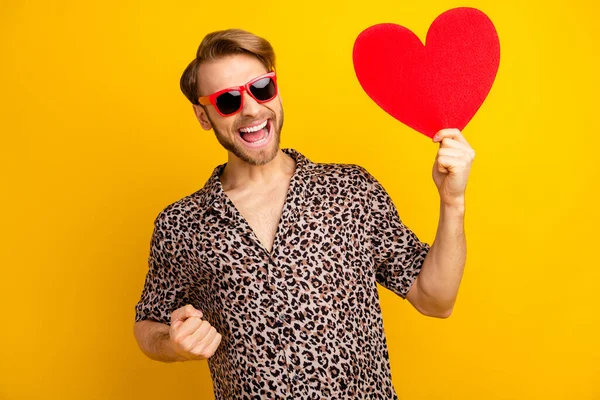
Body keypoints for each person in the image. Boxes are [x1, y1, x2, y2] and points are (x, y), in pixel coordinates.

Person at [133, 29, 474, 399]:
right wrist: (173, 343)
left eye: (261, 88)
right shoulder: (182, 224)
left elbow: (435, 299)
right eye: (228, 100)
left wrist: (452, 202)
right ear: (203, 116)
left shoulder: (350, 190)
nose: (251, 109)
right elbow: (148, 325)